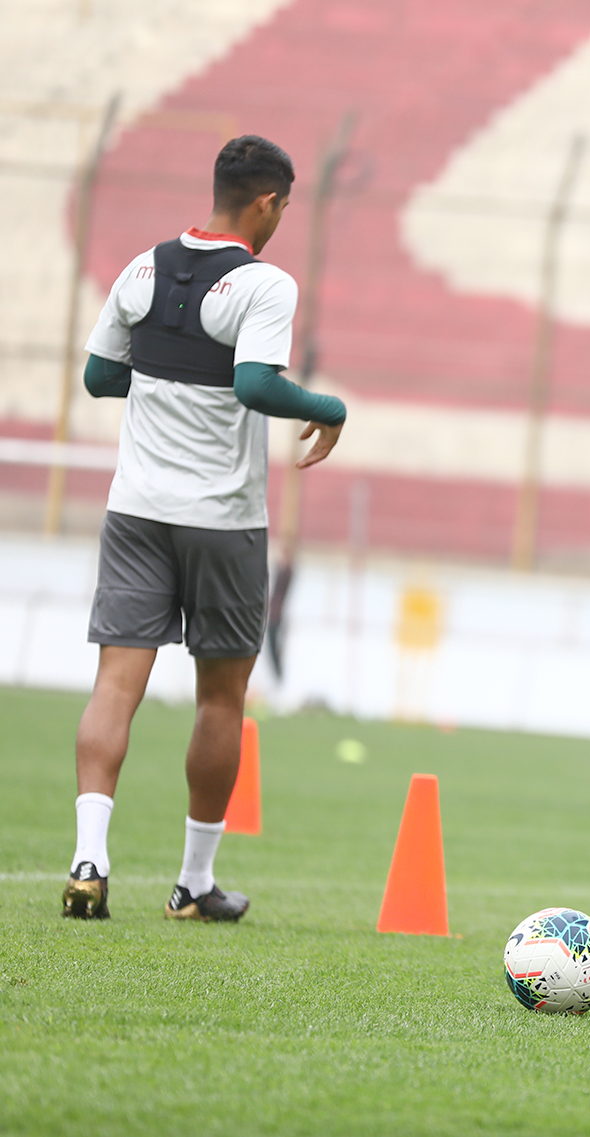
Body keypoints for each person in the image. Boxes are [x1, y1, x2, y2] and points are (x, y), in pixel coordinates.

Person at [61, 135, 347, 924]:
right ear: (266, 202)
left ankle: (90, 856)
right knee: (220, 700)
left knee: (116, 682)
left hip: (136, 508)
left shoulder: (142, 267)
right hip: (222, 519)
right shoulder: (264, 284)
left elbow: (98, 376)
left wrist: (164, 375)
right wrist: (330, 408)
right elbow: (256, 384)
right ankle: (193, 882)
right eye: (284, 206)